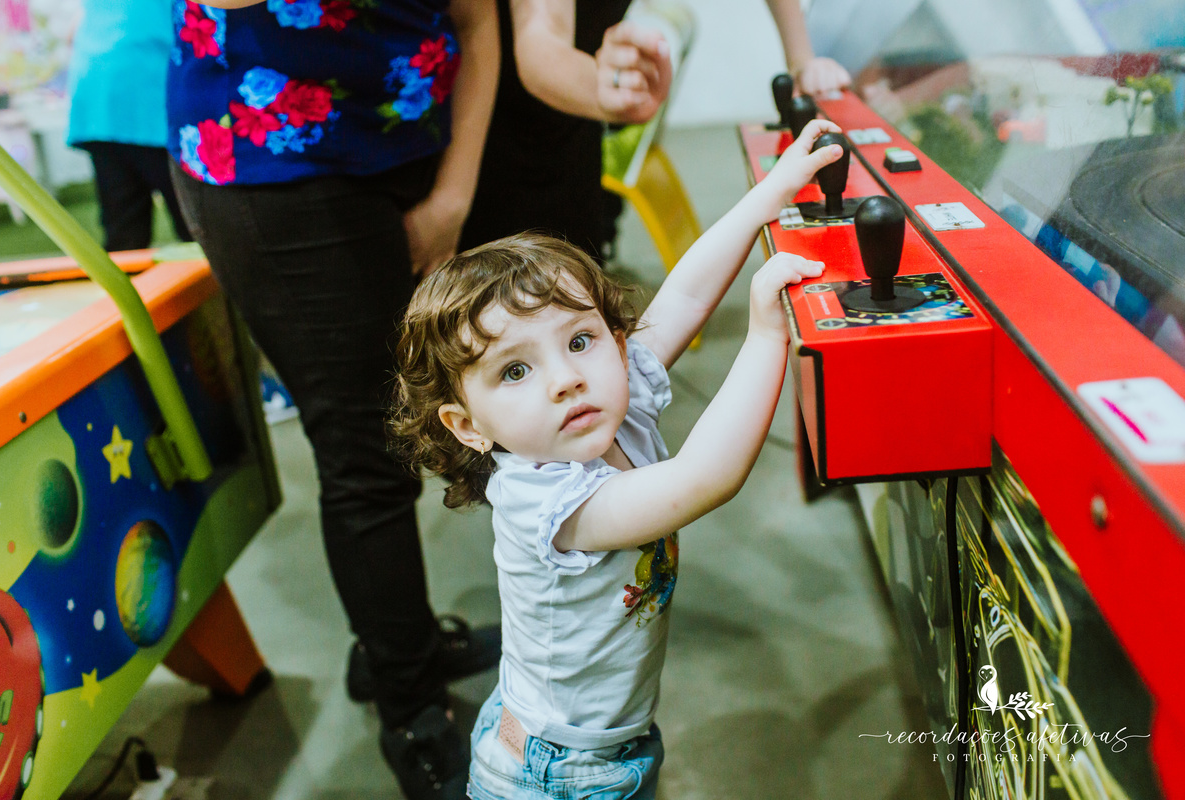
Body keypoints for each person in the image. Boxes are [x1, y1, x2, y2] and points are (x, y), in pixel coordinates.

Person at [391, 118, 844, 799]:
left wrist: (770, 195)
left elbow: (686, 295)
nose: (564, 378)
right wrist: (765, 336)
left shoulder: (608, 405)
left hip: (604, 743)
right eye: (514, 372)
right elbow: (704, 478)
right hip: (559, 776)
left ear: (615, 335)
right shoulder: (546, 498)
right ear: (468, 426)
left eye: (579, 341)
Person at [166, 1, 499, 798]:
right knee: (369, 452)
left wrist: (454, 193)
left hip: (407, 143)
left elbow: (479, 19)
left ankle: (396, 643)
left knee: (423, 424)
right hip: (273, 166)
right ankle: (411, 710)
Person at [458, 0, 851, 263]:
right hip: (489, 121)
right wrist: (603, 86)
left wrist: (800, 57)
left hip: (574, 123)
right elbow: (538, 39)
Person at [66, 0, 193, 252]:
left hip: (97, 89)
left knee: (123, 227)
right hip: (147, 86)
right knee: (194, 220)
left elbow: (72, 31)